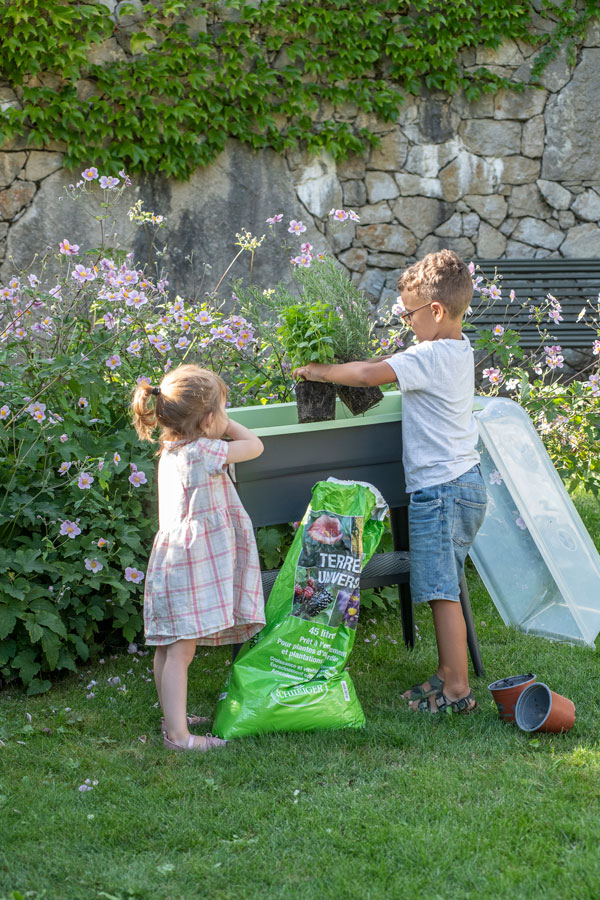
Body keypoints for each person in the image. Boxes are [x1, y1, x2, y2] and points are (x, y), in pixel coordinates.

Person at [293, 249, 487, 714]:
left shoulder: (430, 355)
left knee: (440, 590)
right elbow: (393, 361)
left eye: (409, 314)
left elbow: (366, 374)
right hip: (463, 483)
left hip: (441, 490)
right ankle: (447, 671)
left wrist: (315, 370)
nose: (406, 322)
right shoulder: (456, 348)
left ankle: (457, 689)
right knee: (446, 579)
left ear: (436, 311)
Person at [131, 364, 266, 749]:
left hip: (172, 561)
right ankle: (179, 736)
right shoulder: (206, 450)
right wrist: (224, 423)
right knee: (181, 651)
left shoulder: (171, 451)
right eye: (221, 410)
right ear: (208, 420)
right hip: (192, 565)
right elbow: (255, 446)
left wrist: (212, 415)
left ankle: (172, 716)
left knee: (168, 648)